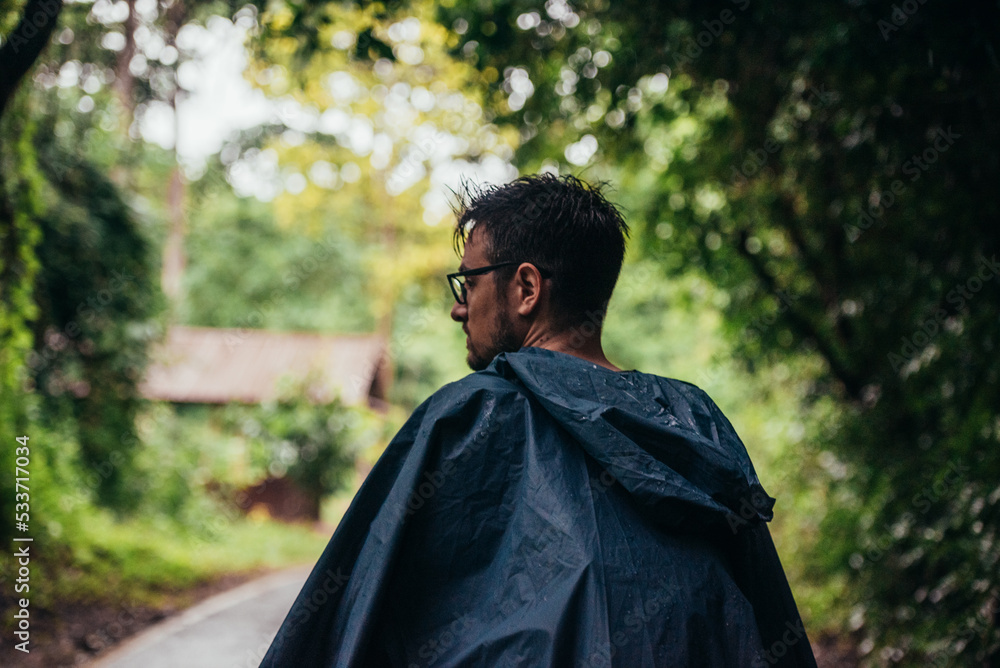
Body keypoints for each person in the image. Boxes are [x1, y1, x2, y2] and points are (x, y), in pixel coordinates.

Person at [260, 174, 817, 667]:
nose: (458, 307)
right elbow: (770, 624)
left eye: (468, 282)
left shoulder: (466, 416)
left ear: (525, 288)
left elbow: (344, 625)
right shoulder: (693, 419)